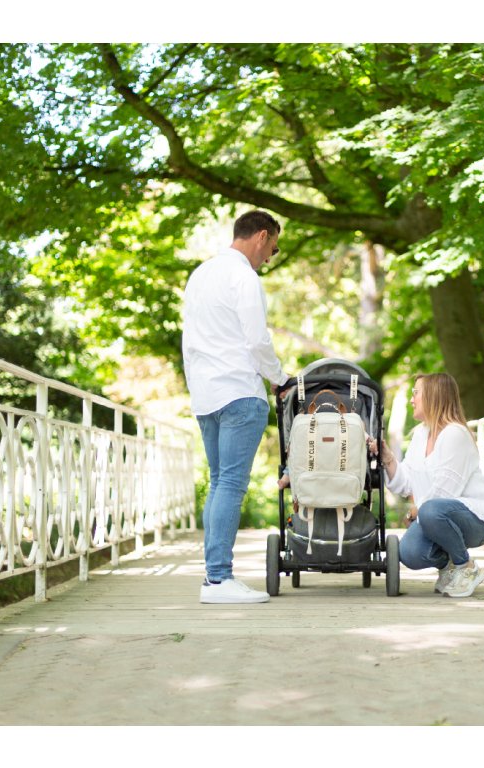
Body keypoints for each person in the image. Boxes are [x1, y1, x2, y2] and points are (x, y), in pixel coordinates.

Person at [182, 210, 289, 604]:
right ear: (262, 236)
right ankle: (219, 579)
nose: (269, 257)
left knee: (218, 483)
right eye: (272, 249)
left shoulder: (200, 275)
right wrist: (279, 378)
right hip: (239, 392)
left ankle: (213, 577)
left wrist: (197, 388)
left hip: (206, 394)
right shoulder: (244, 277)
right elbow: (256, 340)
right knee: (230, 484)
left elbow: (190, 341)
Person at [368, 373, 484, 598]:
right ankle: (449, 567)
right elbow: (406, 483)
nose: (412, 399)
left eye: (416, 393)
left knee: (430, 509)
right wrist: (388, 458)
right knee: (409, 552)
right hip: (435, 515)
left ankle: (466, 567)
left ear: (433, 395)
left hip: (476, 519)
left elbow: (445, 492)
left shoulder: (455, 434)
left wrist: (417, 512)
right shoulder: (421, 434)